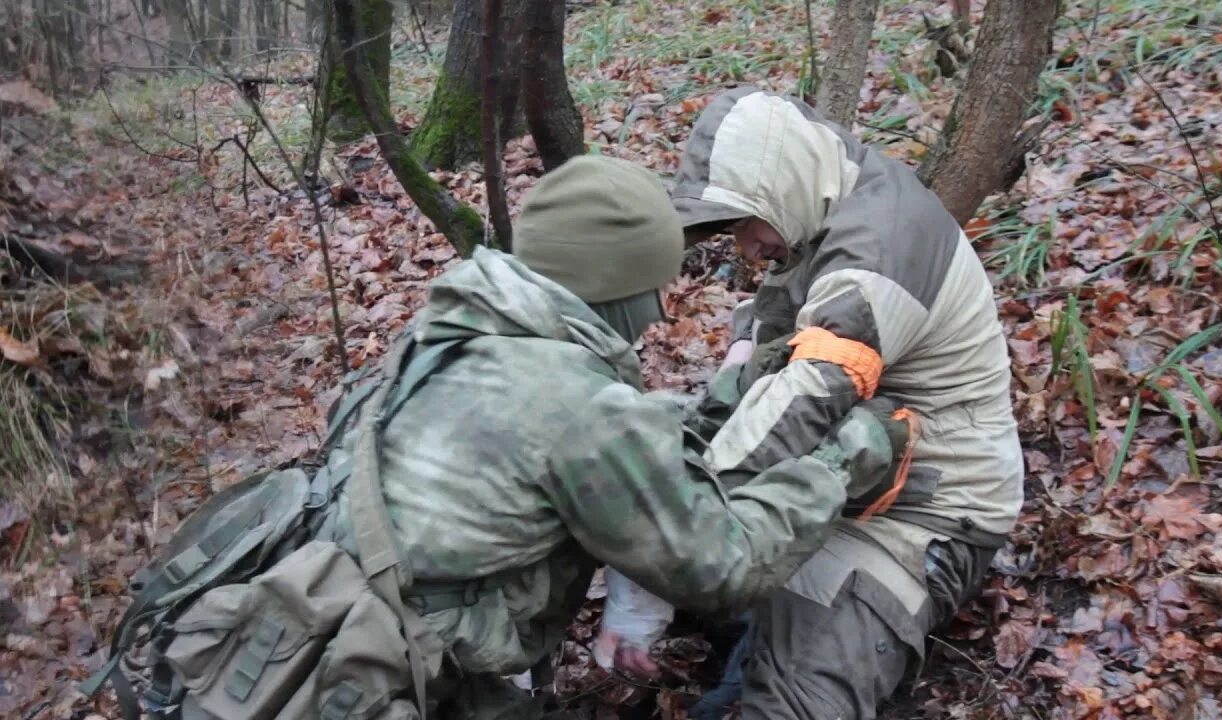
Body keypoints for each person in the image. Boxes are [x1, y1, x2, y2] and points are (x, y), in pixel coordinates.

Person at [321, 153, 912, 719]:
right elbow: (722, 566)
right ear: (613, 285)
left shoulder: (434, 343)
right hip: (411, 686)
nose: (660, 311)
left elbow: (595, 444)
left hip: (335, 636)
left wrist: (738, 385)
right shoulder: (579, 409)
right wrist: (841, 460)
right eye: (654, 285)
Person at [598, 87, 1024, 719]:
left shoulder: (880, 247)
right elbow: (764, 357)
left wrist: (677, 531)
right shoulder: (822, 217)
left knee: (793, 703)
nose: (746, 248)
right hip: (839, 475)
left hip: (921, 516)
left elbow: (809, 395)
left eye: (745, 223)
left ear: (781, 185)